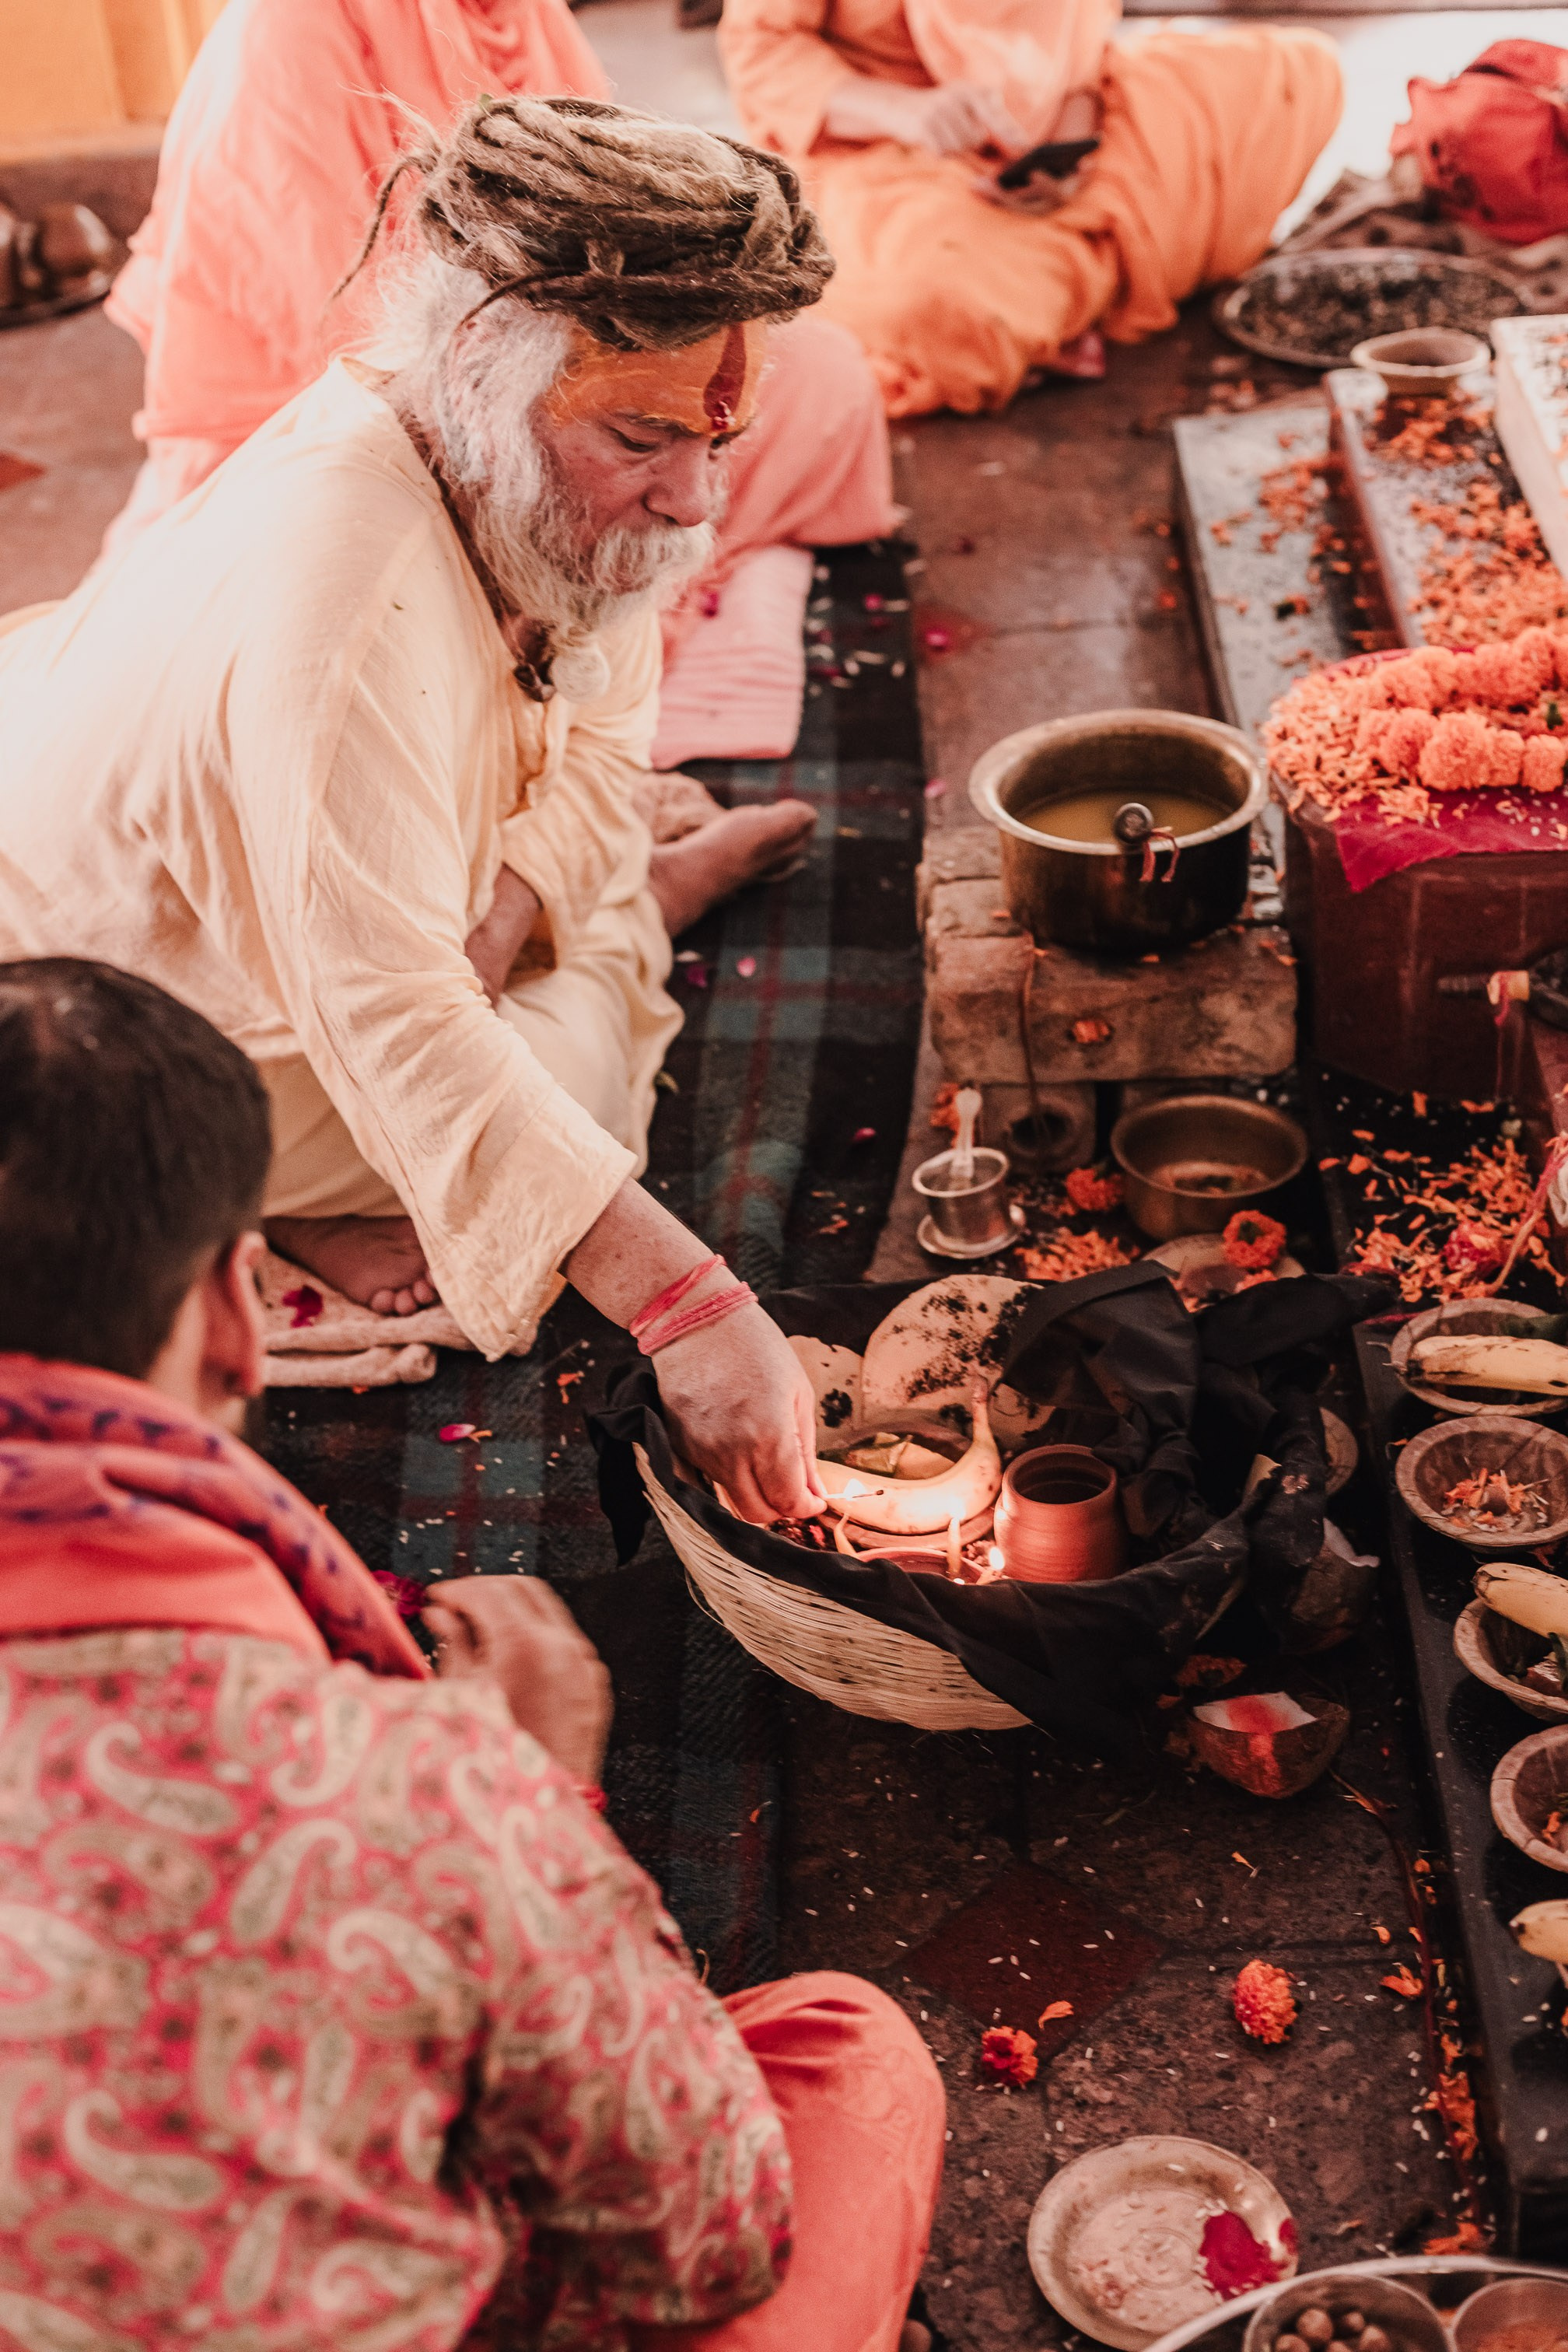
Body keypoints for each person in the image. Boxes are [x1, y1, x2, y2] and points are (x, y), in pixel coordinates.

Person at [0, 955, 946, 2352]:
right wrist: (535, 1802)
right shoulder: (418, 1788)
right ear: (232, 1309)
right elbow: (706, 2236)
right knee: (847, 2055)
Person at [0, 96, 848, 1524]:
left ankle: (608, 908)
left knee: (528, 987)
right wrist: (695, 1311)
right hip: (109, 1012)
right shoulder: (346, 613)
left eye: (720, 442)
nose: (697, 498)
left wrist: (511, 907)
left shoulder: (526, 462)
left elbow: (602, 732)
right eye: (646, 438)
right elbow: (394, 1012)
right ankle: (329, 1162)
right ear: (479, 363)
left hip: (353, 898)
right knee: (557, 1098)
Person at [98, 0, 898, 754]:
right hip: (368, 411)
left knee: (824, 378)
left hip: (545, 370)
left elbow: (610, 212)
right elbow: (352, 343)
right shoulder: (287, 29)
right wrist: (559, 399)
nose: (696, 502)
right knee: (394, 644)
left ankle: (588, 576)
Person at [717, 0, 1343, 415]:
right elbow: (761, 48)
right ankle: (1061, 287)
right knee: (933, 304)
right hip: (885, 144)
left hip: (1058, 127)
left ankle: (1055, 293)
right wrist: (904, 112)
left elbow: (1082, 36)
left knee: (1299, 75)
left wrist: (1076, 136)